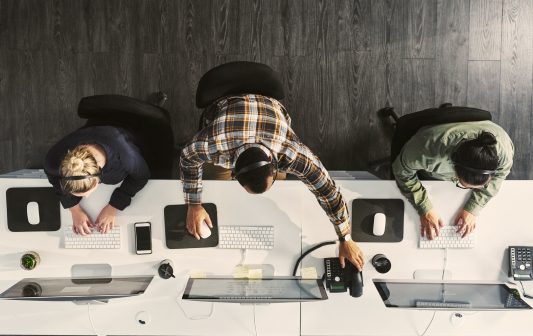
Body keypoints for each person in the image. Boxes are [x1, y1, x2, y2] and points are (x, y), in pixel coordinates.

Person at [180, 94, 364, 270]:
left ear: (275, 166)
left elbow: (328, 192)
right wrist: (194, 204)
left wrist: (345, 238)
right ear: (233, 171)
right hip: (227, 110)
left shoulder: (291, 152)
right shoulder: (214, 144)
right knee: (217, 192)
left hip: (270, 118)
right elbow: (187, 157)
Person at [44, 93, 169, 235]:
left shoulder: (126, 157)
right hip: (97, 126)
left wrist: (113, 206)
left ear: (98, 179)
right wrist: (74, 209)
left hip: (134, 131)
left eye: (85, 193)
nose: (85, 198)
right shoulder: (54, 160)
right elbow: (54, 178)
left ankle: (150, 106)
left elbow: (141, 176)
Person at [392, 121, 514, 240]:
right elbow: (402, 172)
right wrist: (425, 208)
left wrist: (473, 208)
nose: (469, 190)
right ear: (454, 170)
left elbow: (500, 175)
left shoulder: (504, 151)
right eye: (464, 185)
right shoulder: (425, 151)